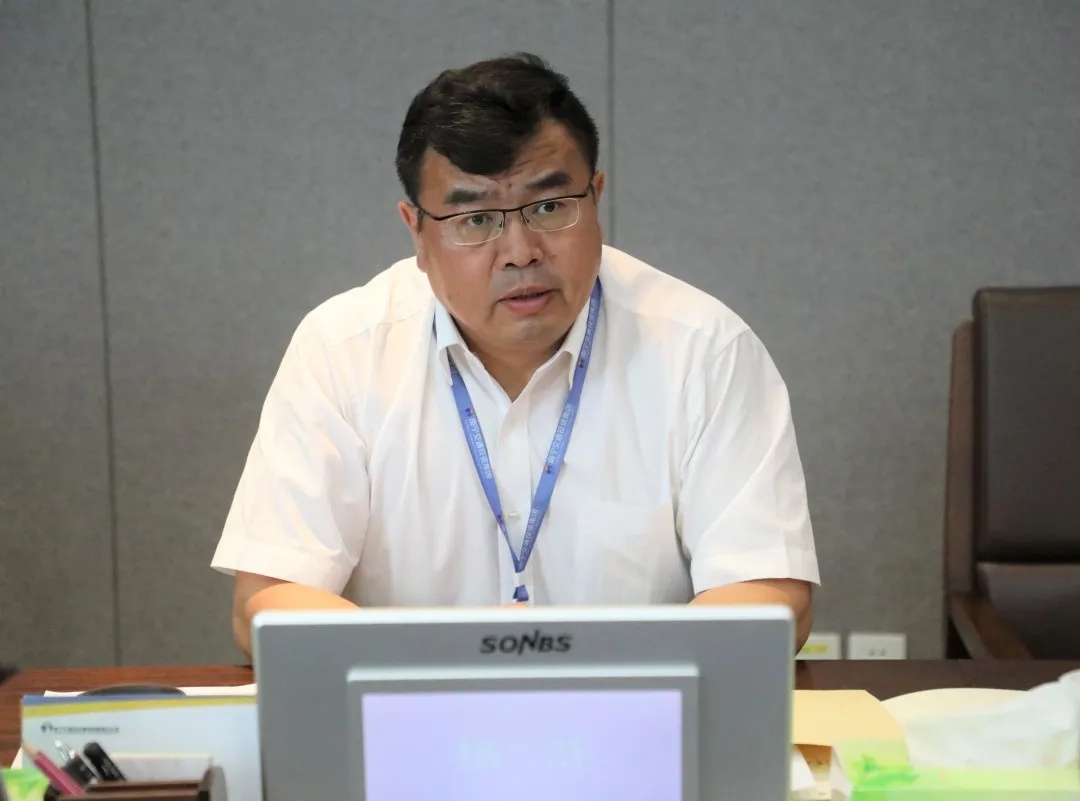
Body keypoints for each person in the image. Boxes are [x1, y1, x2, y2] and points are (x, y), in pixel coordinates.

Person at [212, 53, 819, 657]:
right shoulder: (342, 350)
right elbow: (267, 601)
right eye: (476, 219)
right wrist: (457, 663)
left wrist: (588, 669)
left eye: (550, 208)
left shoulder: (705, 350)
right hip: (410, 706)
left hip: (636, 706)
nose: (520, 252)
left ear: (595, 197)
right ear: (416, 231)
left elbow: (769, 597)